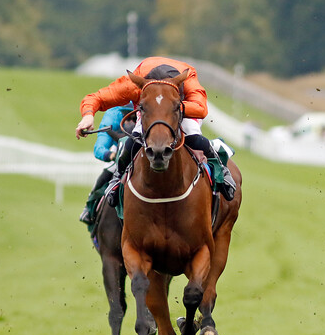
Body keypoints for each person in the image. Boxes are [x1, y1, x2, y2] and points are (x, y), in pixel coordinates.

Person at [75, 56, 236, 206]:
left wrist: (168, 106)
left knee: (192, 135)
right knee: (133, 140)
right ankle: (116, 179)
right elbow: (96, 97)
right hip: (151, 107)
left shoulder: (187, 77)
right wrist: (88, 115)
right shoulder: (134, 85)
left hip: (179, 106)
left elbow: (201, 109)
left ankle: (222, 170)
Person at [78, 104, 133, 224]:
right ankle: (89, 207)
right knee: (108, 171)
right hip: (119, 151)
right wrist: (111, 156)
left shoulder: (148, 109)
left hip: (143, 150)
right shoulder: (112, 117)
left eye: (133, 118)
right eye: (127, 118)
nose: (130, 123)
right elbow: (99, 148)